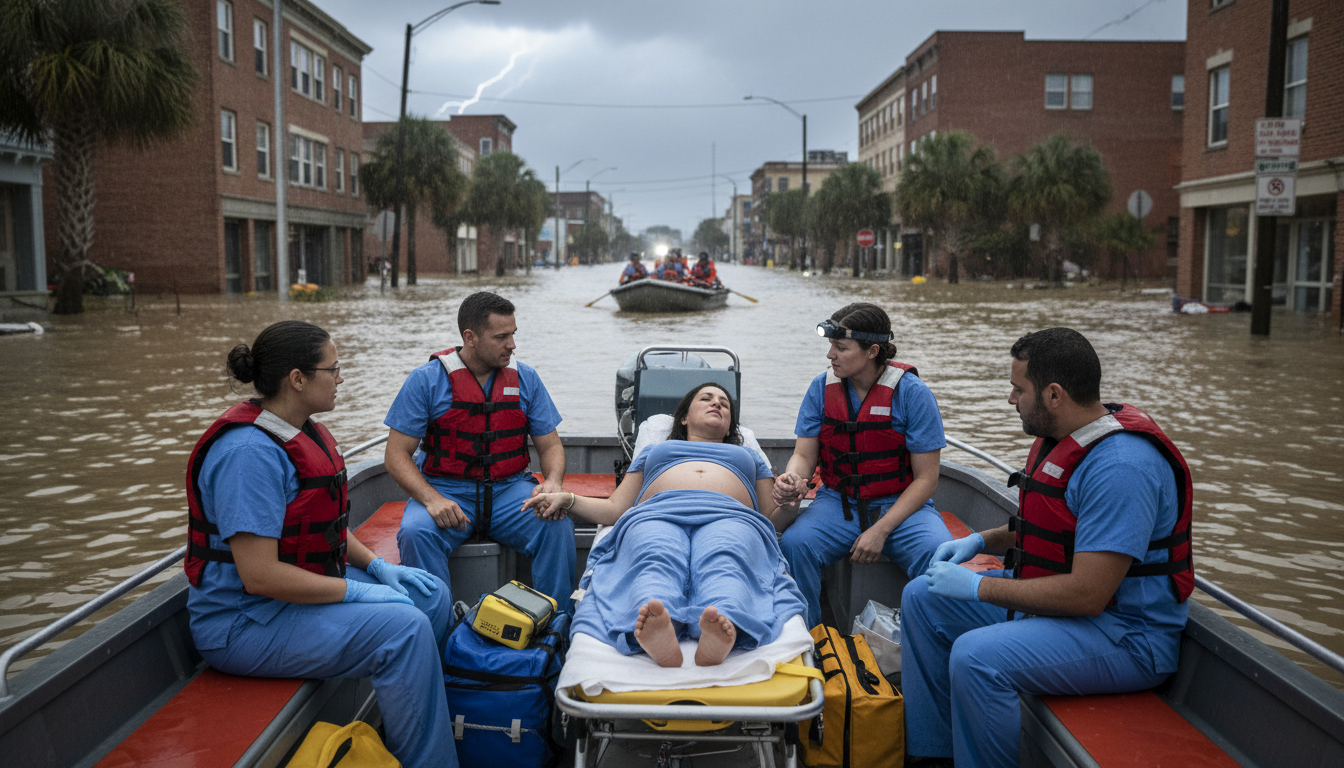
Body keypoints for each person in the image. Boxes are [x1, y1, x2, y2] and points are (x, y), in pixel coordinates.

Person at [900, 327, 1194, 768]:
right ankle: (934, 754)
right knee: (922, 597)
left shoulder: (1120, 467)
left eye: (1019, 389)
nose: (1010, 399)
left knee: (977, 658)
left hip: (1126, 636)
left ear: (1054, 394)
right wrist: (982, 541)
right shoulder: (1066, 438)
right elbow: (1052, 531)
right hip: (1070, 610)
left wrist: (978, 588)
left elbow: (1088, 594)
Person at [185, 321, 456, 768]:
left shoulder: (298, 430)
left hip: (294, 595)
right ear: (298, 379)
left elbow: (320, 525)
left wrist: (377, 568)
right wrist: (357, 590)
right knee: (403, 630)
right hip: (243, 623)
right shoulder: (248, 454)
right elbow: (259, 576)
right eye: (333, 369)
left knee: (429, 596)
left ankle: (422, 726)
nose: (341, 378)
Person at [525, 383, 805, 667]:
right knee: (655, 555)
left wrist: (790, 502)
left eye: (724, 403)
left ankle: (722, 624)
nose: (717, 404)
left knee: (726, 557)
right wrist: (568, 498)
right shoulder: (655, 451)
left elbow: (772, 520)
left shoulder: (749, 456)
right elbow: (615, 509)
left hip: (729, 516)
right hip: (656, 514)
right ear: (683, 417)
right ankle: (659, 624)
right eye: (706, 398)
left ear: (731, 424)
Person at [385, 291, 575, 611]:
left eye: (513, 335)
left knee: (556, 525)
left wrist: (553, 481)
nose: (512, 345)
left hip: (510, 489)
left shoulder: (526, 378)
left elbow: (551, 445)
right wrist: (432, 500)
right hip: (446, 489)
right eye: (501, 337)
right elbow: (396, 456)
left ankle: (556, 627)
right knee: (415, 533)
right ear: (470, 337)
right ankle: (439, 631)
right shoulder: (426, 381)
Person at [772, 303, 952, 627]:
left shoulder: (913, 394)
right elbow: (804, 455)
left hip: (901, 508)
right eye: (831, 346)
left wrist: (880, 530)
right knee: (796, 545)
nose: (830, 355)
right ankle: (808, 640)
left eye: (840, 347)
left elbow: (927, 480)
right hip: (839, 504)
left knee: (940, 556)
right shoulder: (820, 388)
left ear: (872, 351)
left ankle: (926, 642)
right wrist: (794, 478)